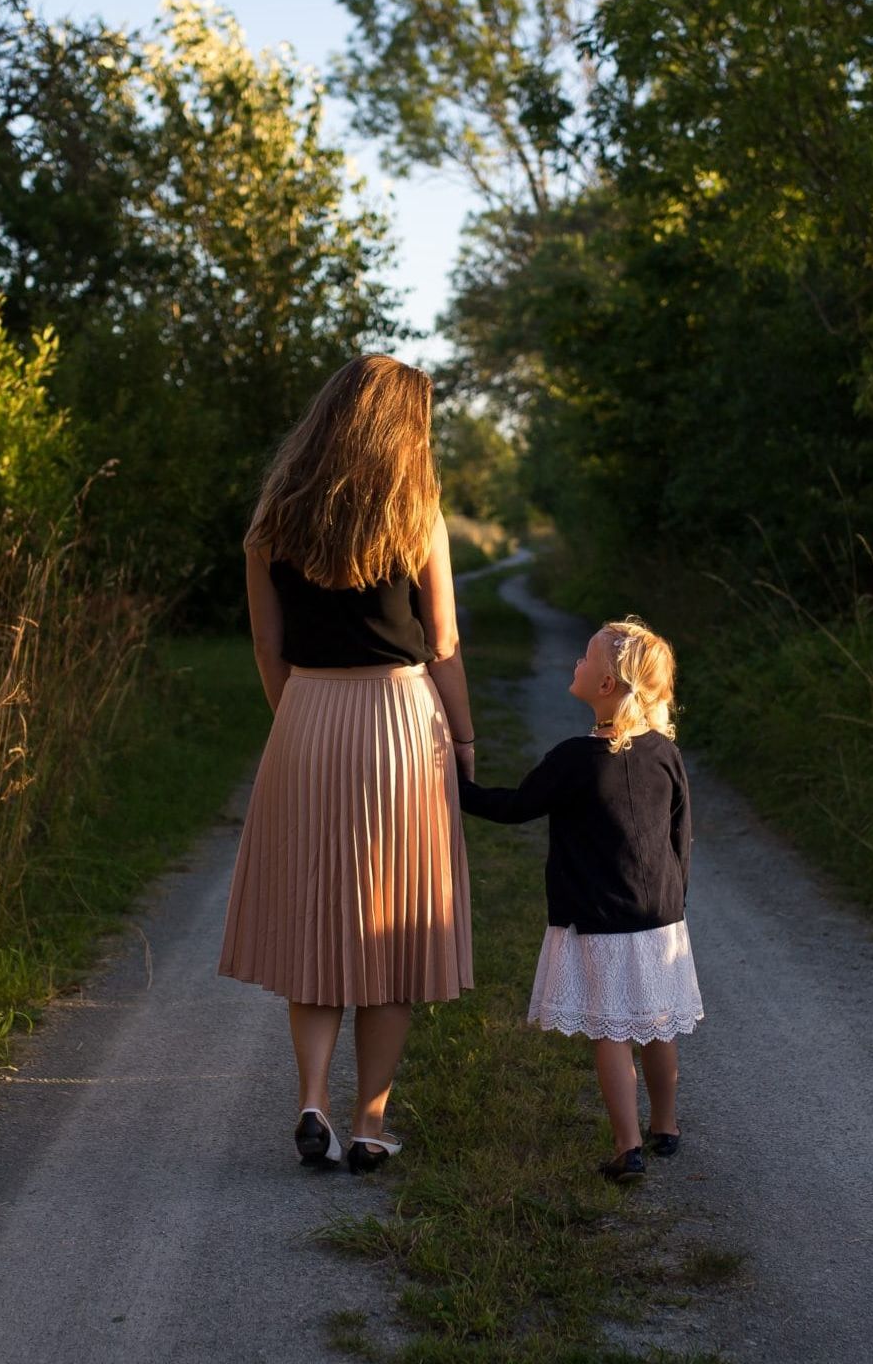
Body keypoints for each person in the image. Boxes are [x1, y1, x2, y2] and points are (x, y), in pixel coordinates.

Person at [217, 354, 476, 1174]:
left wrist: (296, 718)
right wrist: (464, 741)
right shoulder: (417, 513)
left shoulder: (273, 518)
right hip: (400, 719)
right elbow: (442, 645)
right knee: (391, 926)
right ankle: (369, 1123)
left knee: (318, 921)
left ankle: (311, 1102)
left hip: (307, 715)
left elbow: (266, 644)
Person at [457, 617, 701, 1183]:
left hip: (599, 916)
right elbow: (680, 833)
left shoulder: (574, 758)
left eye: (585, 658)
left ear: (607, 685)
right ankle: (666, 1127)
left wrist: (452, 786)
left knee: (611, 1031)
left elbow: (515, 806)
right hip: (660, 917)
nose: (576, 662)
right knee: (657, 1025)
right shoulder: (664, 752)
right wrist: (675, 901)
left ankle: (627, 1146)